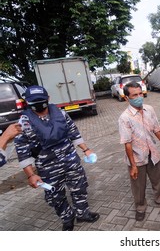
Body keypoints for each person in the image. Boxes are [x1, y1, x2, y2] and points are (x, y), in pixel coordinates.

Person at [14, 85, 99, 231]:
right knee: (55, 196)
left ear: (48, 99)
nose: (38, 104)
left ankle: (82, 213)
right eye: (33, 101)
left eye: (40, 100)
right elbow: (22, 151)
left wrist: (86, 150)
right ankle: (67, 218)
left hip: (70, 160)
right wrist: (31, 175)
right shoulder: (23, 123)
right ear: (27, 102)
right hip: (47, 166)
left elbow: (74, 133)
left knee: (79, 187)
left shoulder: (60, 114)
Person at [118, 81, 160, 222]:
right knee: (138, 185)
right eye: (135, 95)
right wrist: (133, 165)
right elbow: (127, 143)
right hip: (136, 157)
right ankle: (140, 207)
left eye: (140, 93)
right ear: (127, 98)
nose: (139, 96)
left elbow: (157, 128)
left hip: (152, 153)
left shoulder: (149, 109)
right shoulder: (125, 118)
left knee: (158, 178)